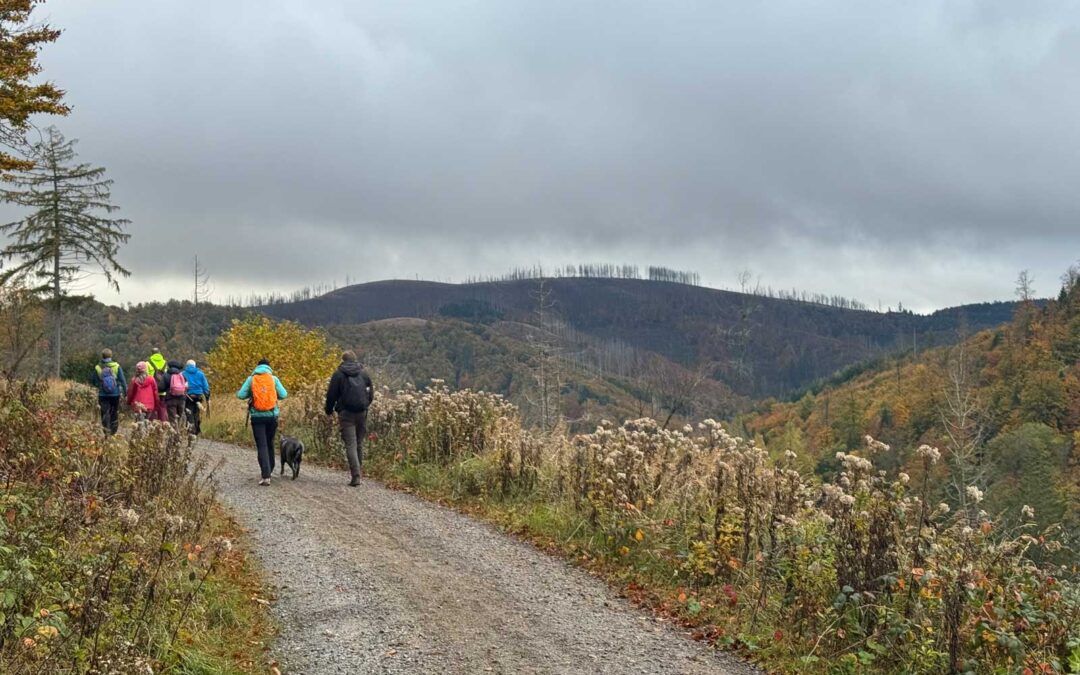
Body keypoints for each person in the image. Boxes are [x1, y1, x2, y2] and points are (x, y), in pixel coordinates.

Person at [324, 350, 374, 487]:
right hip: (362, 412)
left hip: (346, 413)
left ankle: (356, 476)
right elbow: (371, 393)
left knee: (350, 444)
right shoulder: (364, 373)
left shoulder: (338, 374)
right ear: (355, 359)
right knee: (359, 443)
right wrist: (365, 405)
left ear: (343, 360)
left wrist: (329, 410)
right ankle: (359, 473)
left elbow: (331, 395)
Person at [236, 358, 288, 486]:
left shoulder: (251, 379)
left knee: (262, 445)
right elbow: (284, 394)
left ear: (257, 367)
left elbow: (240, 395)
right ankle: (270, 468)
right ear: (269, 367)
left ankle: (266, 476)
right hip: (272, 416)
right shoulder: (273, 379)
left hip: (257, 417)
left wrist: (252, 394)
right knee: (270, 443)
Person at [91, 349, 126, 435]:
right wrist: (125, 392)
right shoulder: (117, 366)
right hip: (115, 394)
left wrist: (99, 386)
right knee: (114, 412)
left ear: (102, 356)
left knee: (104, 412)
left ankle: (106, 431)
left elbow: (93, 381)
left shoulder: (98, 367)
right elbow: (122, 380)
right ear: (111, 356)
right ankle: (113, 431)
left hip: (103, 394)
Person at [182, 359, 210, 436]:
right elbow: (206, 387)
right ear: (195, 366)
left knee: (189, 412)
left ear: (187, 365)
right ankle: (197, 428)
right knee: (196, 412)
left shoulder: (183, 374)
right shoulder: (201, 374)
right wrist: (207, 396)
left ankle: (191, 429)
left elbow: (181, 385)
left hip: (188, 396)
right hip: (198, 396)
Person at [162, 359, 188, 428]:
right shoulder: (182, 376)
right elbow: (187, 386)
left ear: (169, 366)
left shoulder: (166, 376)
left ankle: (174, 435)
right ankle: (181, 432)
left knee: (172, 418)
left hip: (170, 399)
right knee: (181, 416)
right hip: (181, 399)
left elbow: (161, 387)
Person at [147, 347, 169, 421]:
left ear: (152, 354)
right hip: (163, 390)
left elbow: (146, 377)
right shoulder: (165, 363)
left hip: (152, 391)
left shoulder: (148, 363)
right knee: (162, 408)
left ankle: (153, 424)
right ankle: (163, 424)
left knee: (152, 408)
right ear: (159, 353)